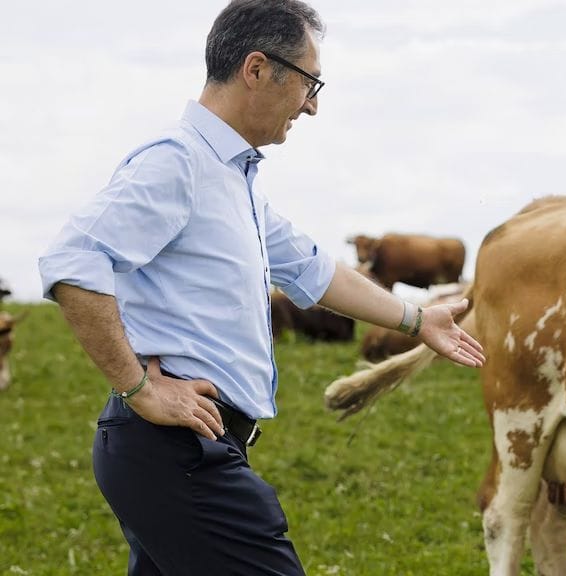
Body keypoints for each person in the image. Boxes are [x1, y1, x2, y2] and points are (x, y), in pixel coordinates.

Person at [37, 0, 485, 573]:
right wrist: (137, 387)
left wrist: (420, 320)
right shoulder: (177, 163)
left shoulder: (233, 178)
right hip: (176, 452)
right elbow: (73, 262)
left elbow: (312, 268)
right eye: (309, 83)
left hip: (182, 450)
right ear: (256, 69)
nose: (313, 105)